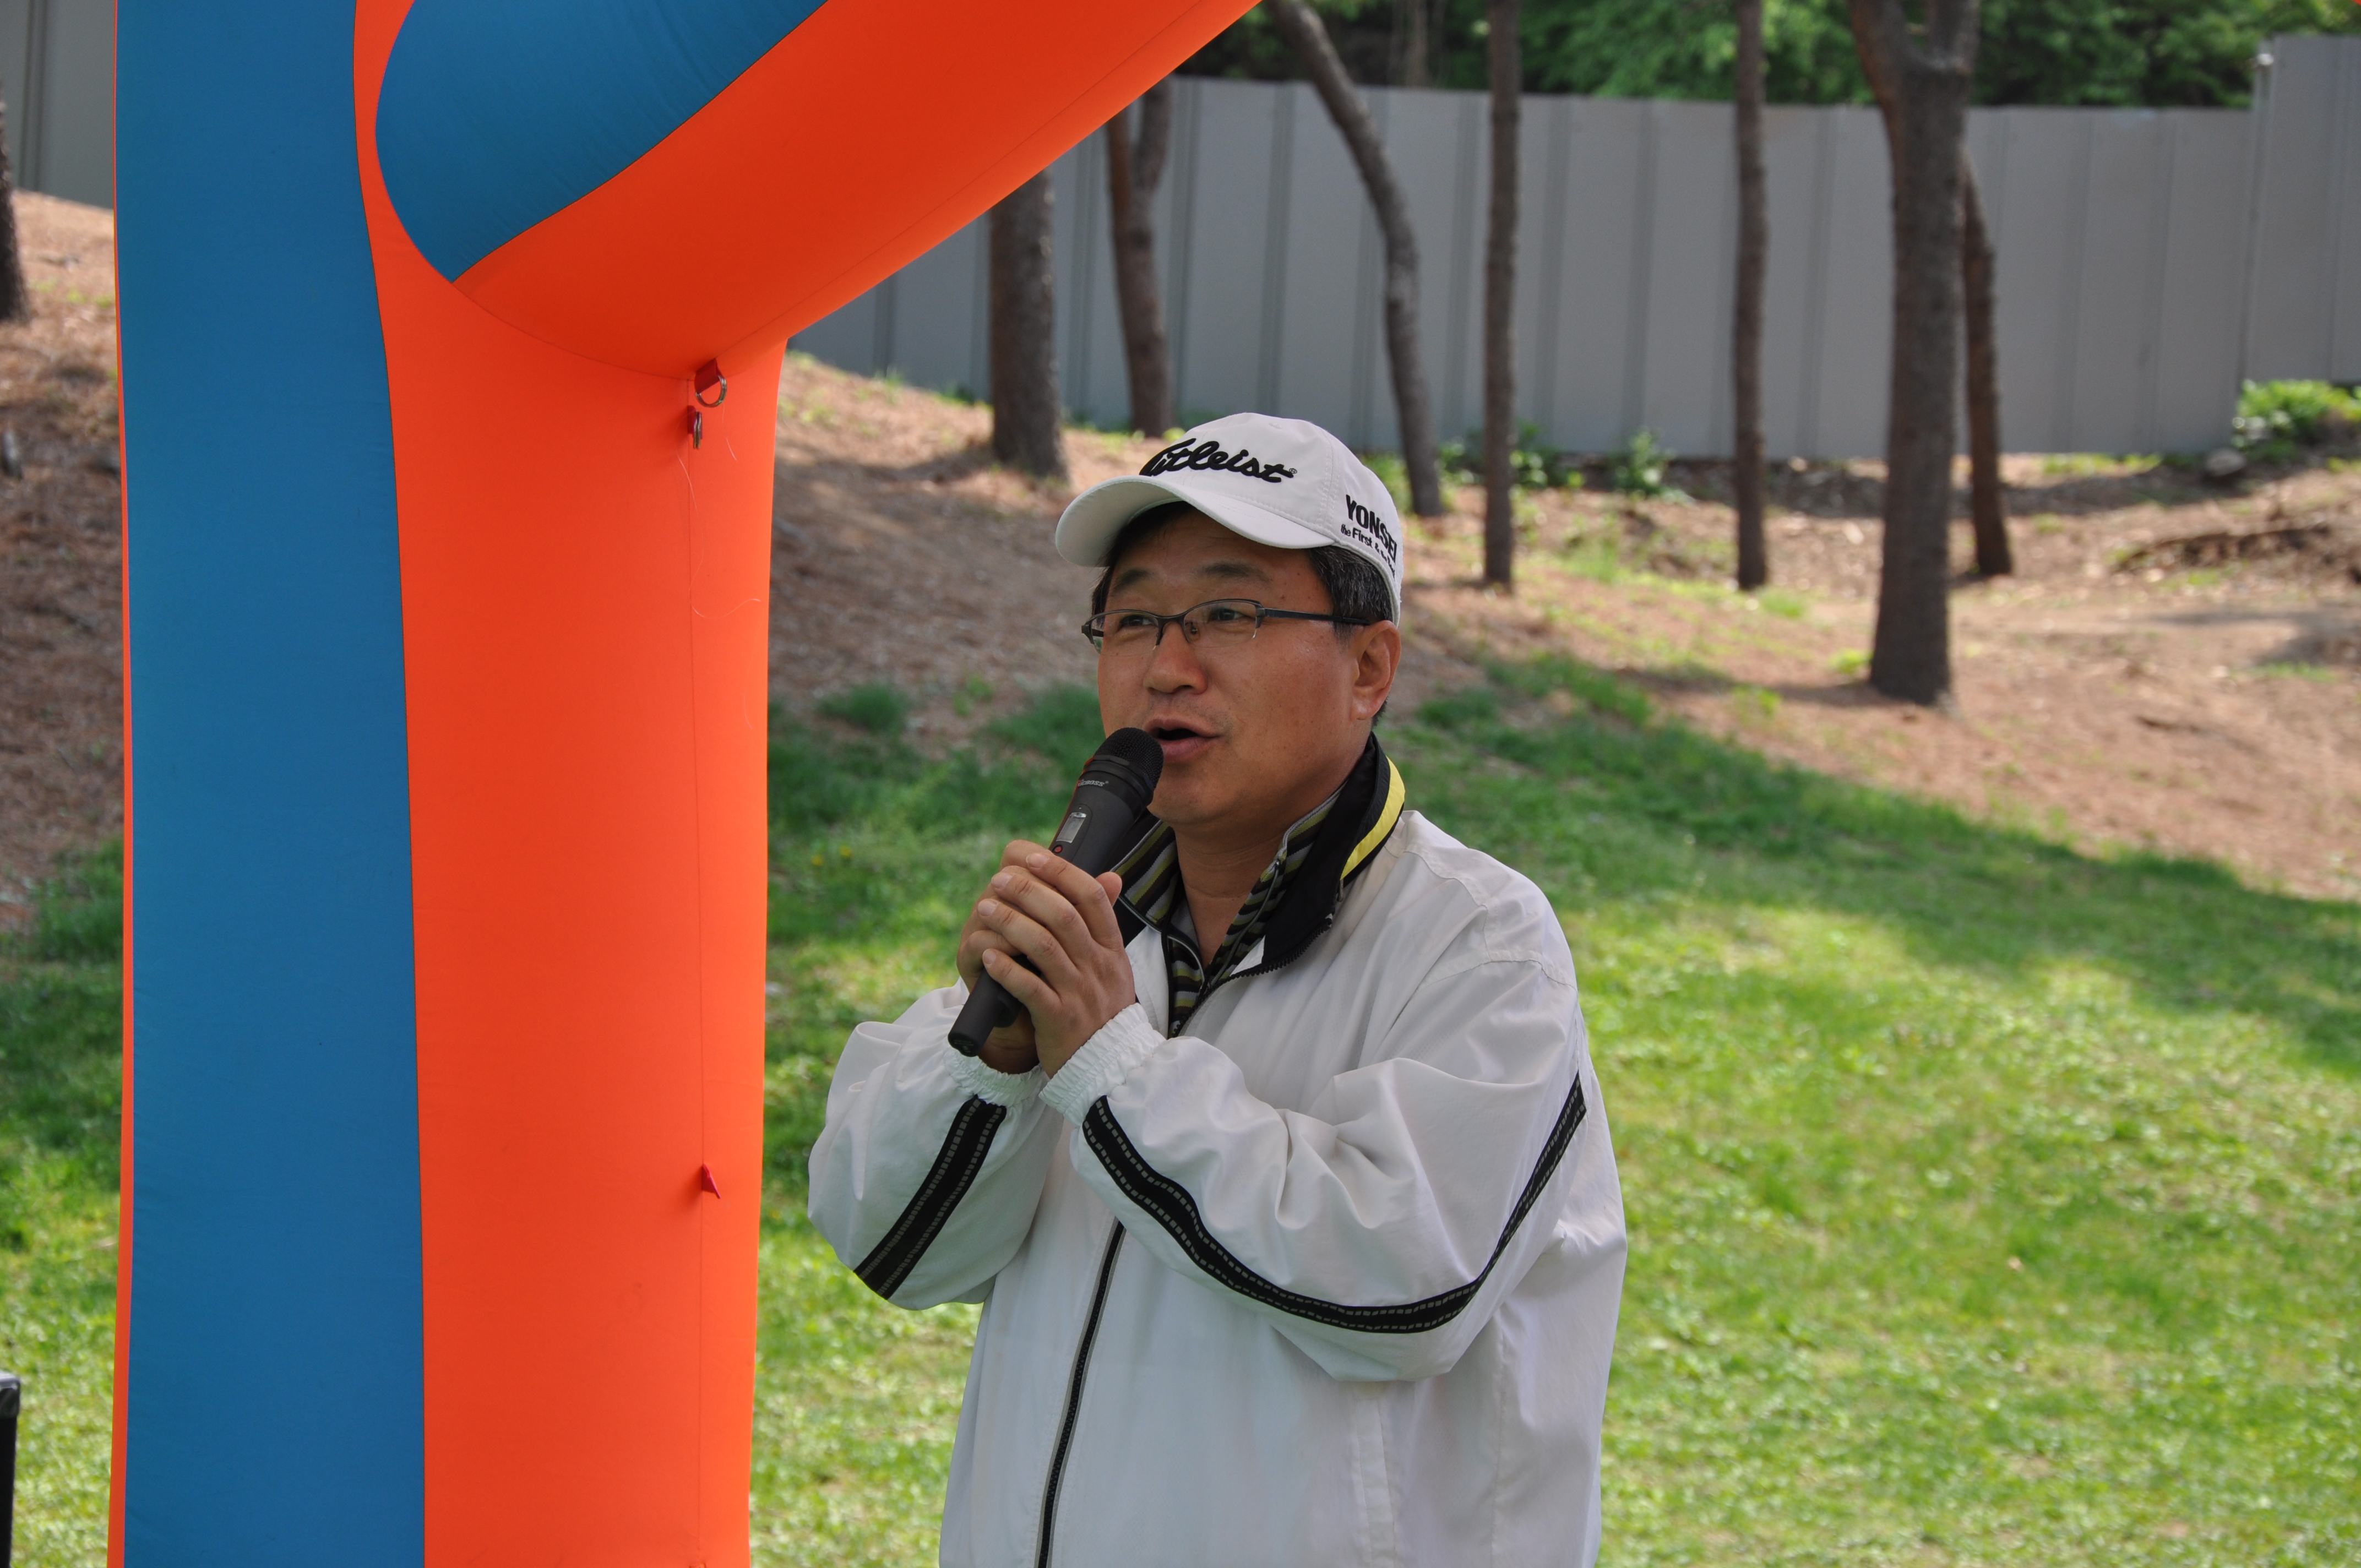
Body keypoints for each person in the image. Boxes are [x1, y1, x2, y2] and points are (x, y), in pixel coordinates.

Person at [809, 412, 1625, 1566]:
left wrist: (1111, 1065)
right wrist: (991, 1066)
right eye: (1133, 618)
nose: (1166, 666)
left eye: (1229, 614)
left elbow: (1404, 1286)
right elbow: (890, 1241)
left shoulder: (1481, 946)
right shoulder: (1091, 925)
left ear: (1369, 667)